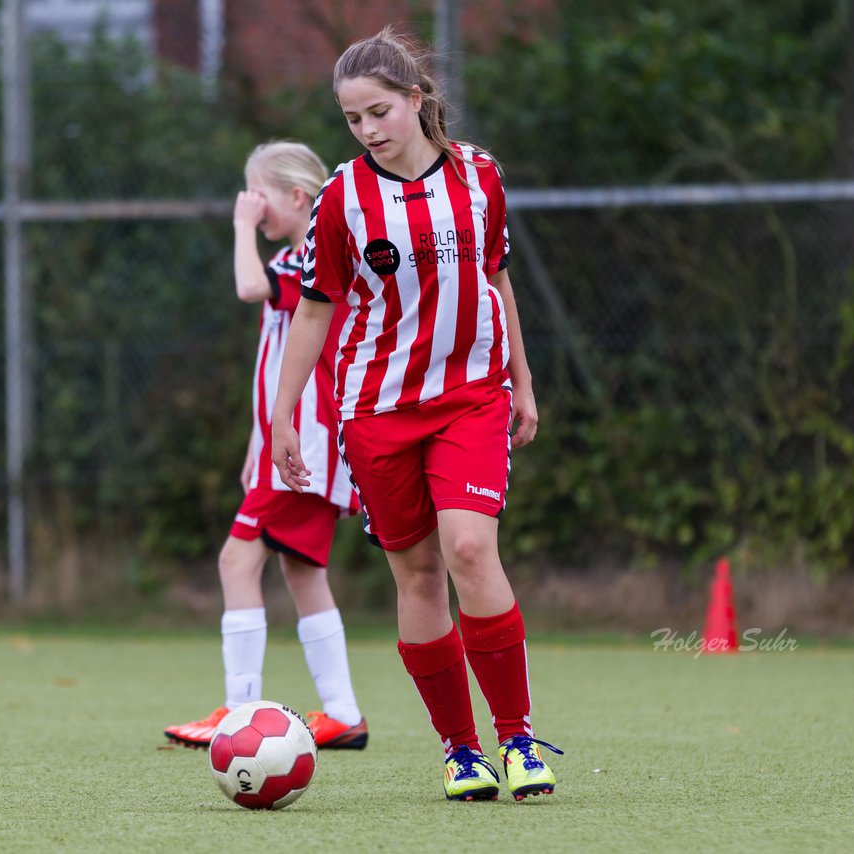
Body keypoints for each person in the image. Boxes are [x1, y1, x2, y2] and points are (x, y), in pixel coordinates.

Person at [270, 27, 562, 802]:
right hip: (377, 408)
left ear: (416, 99)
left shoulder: (480, 177)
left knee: (469, 548)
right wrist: (284, 414)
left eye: (378, 111)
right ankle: (460, 751)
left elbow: (498, 284)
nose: (366, 130)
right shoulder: (341, 198)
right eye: (352, 119)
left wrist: (523, 383)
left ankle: (519, 739)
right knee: (420, 573)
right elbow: (314, 312)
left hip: (471, 396)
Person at [164, 142, 368, 750]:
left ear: (299, 197)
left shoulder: (310, 256)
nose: (252, 205)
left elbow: (249, 287)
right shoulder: (300, 256)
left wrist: (238, 227)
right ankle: (343, 714)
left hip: (308, 445)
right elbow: (276, 361)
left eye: (260, 194)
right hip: (292, 447)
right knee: (300, 570)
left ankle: (240, 712)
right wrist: (258, 444)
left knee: (236, 560)